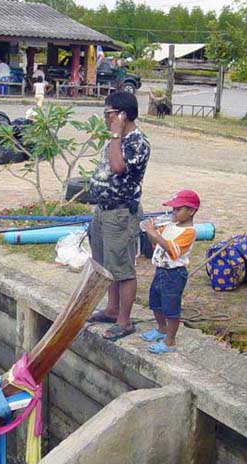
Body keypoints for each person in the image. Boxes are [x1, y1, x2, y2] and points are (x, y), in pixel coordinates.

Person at [87, 92, 151, 341]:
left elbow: (118, 167)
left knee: (122, 267)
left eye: (109, 114)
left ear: (122, 115)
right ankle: (112, 308)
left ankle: (124, 320)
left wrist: (115, 134)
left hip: (121, 212)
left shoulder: (137, 142)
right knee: (105, 262)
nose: (105, 118)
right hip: (104, 210)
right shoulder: (116, 139)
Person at [141, 190, 200, 354]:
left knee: (171, 307)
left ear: (191, 211)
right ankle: (161, 328)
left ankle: (170, 340)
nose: (173, 213)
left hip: (174, 274)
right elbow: (156, 242)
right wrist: (150, 232)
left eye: (178, 209)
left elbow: (171, 249)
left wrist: (155, 234)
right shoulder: (170, 226)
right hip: (160, 270)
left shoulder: (189, 232)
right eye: (173, 209)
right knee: (155, 301)